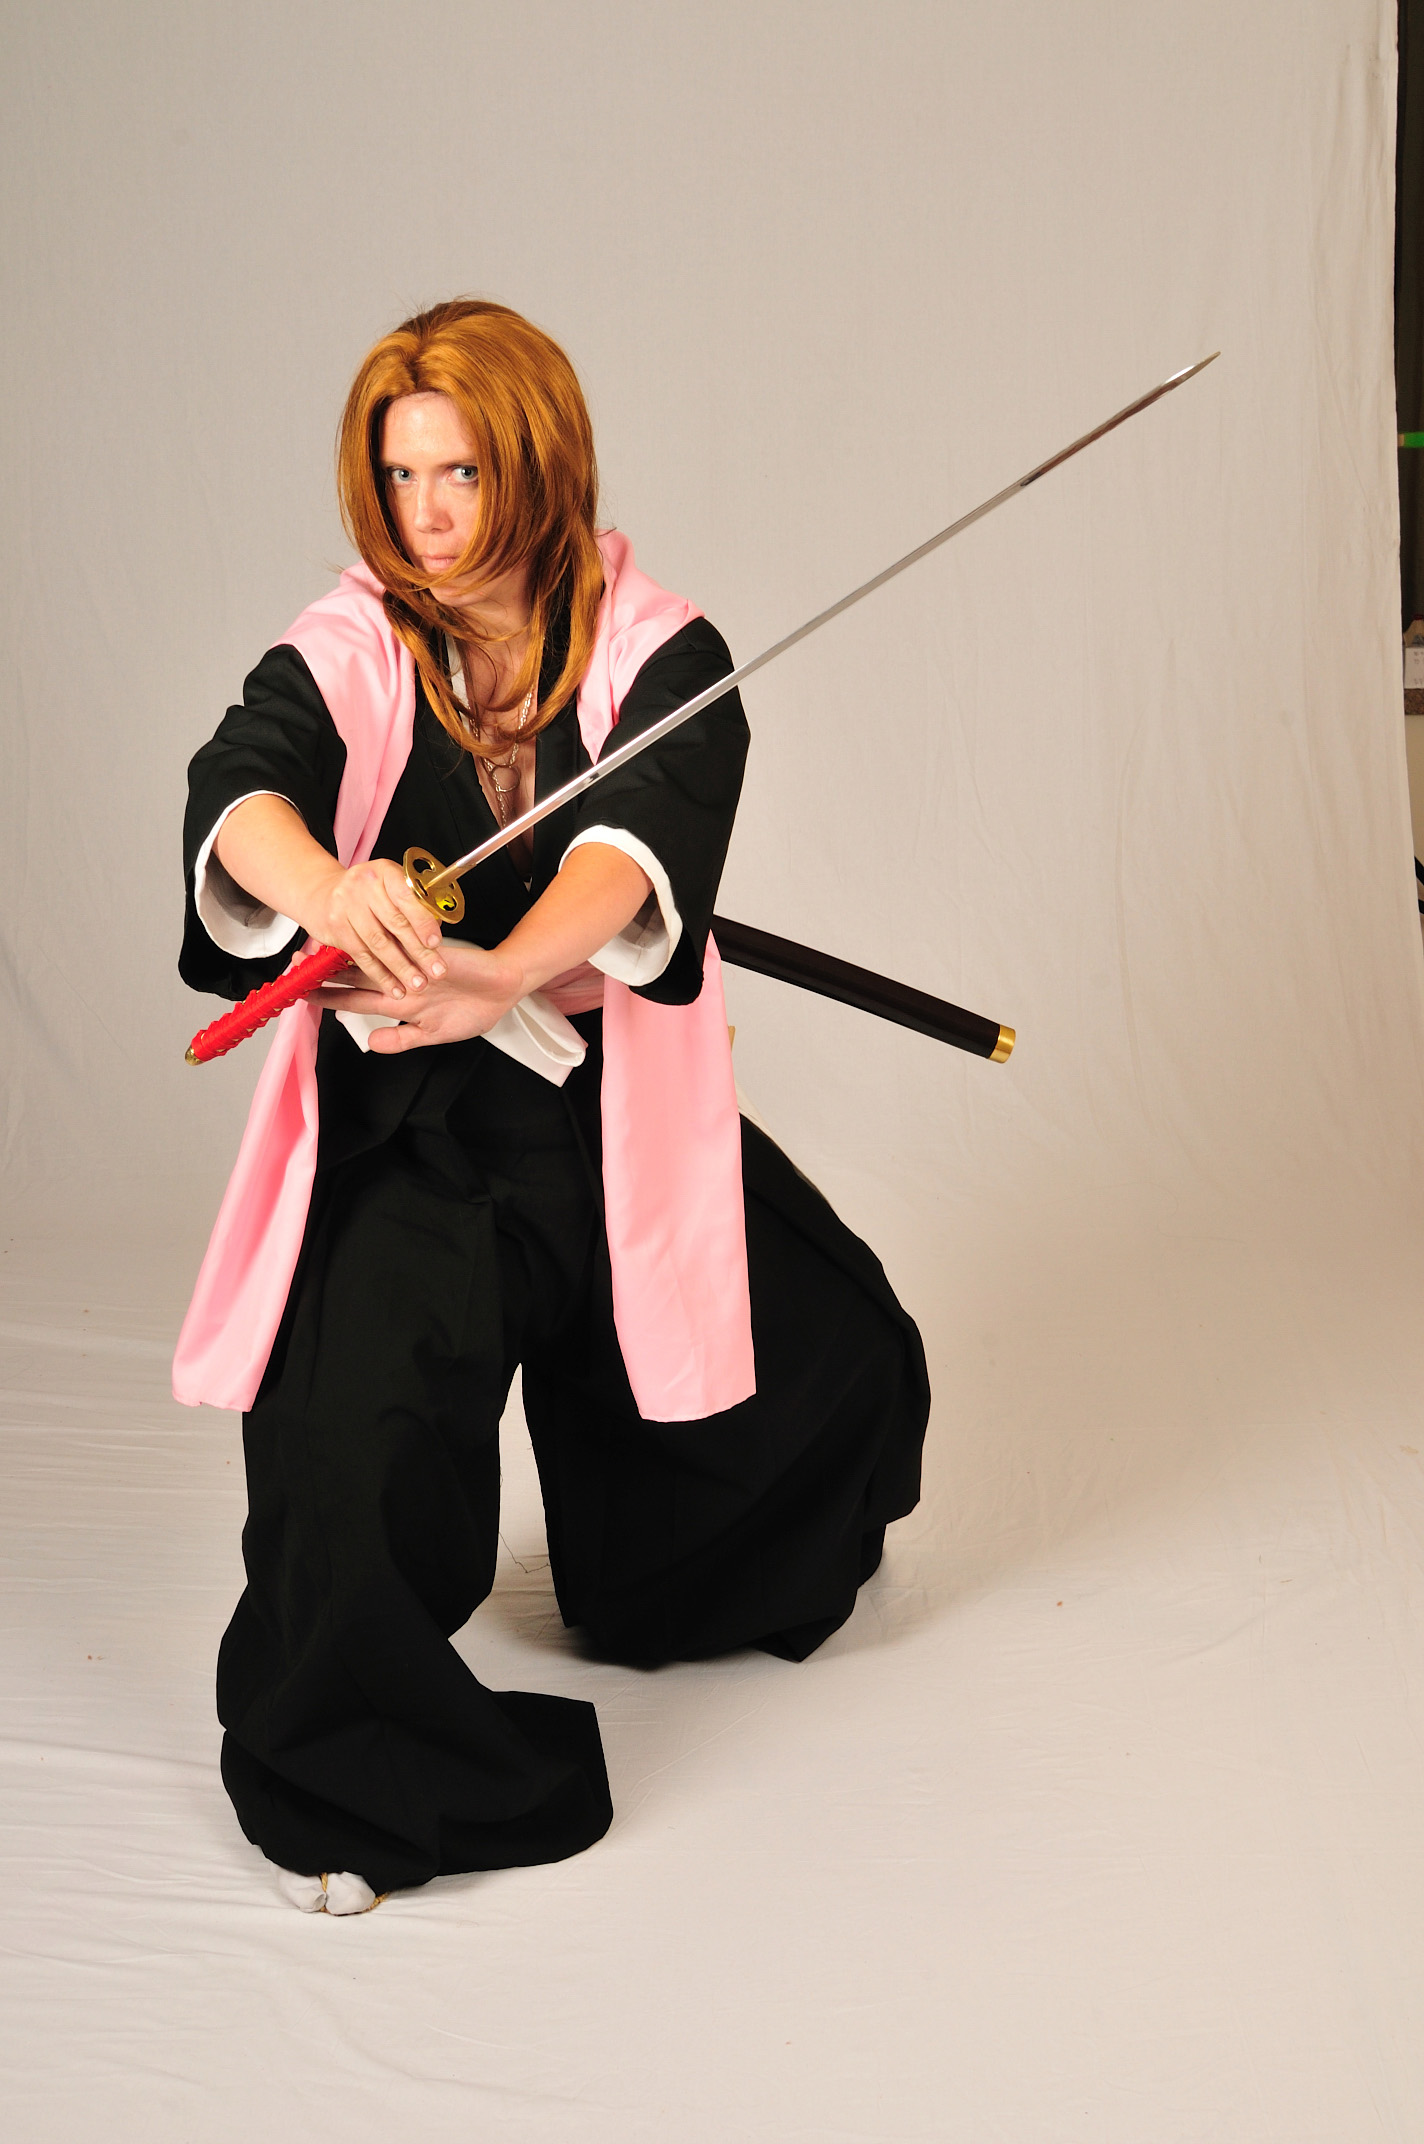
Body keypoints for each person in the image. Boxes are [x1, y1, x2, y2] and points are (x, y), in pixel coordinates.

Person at [176, 298, 930, 1913]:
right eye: (399, 477)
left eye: (458, 473)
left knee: (832, 1353)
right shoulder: (360, 641)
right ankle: (352, 1779)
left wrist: (506, 967)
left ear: (537, 464)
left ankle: (681, 1573)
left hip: (602, 1094)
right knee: (349, 1427)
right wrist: (331, 893)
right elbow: (242, 785)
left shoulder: (659, 647)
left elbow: (634, 843)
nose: (426, 518)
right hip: (417, 1114)